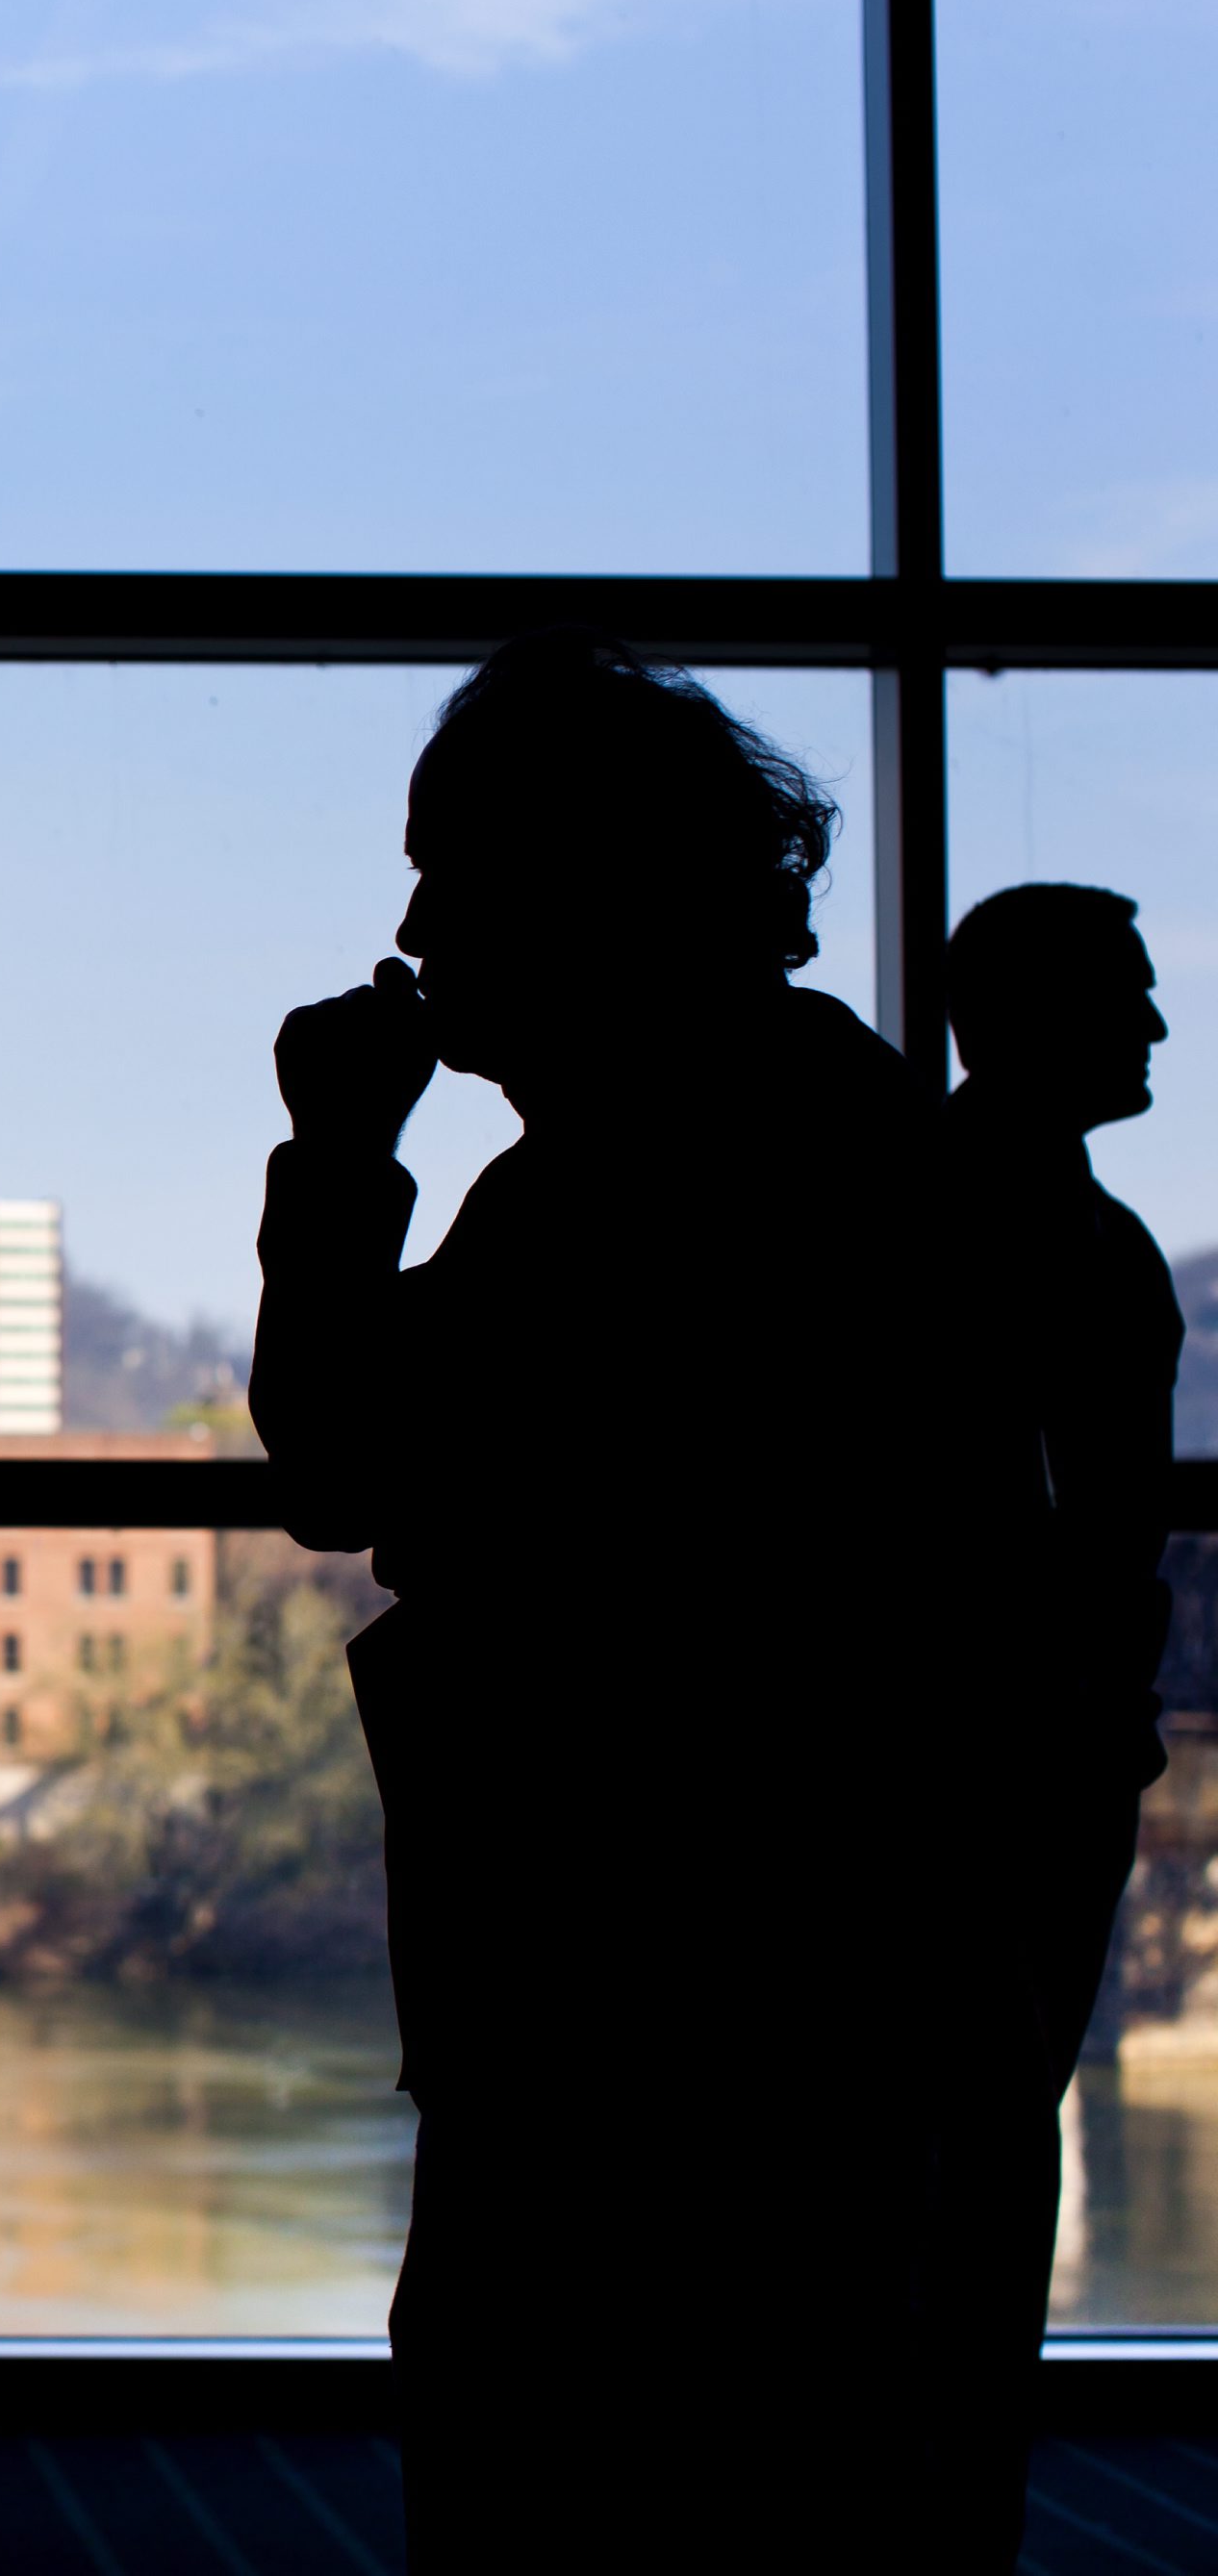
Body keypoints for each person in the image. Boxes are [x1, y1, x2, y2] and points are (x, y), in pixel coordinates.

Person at [249, 632, 1000, 2571]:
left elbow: (341, 1457)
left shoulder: (620, 1177)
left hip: (627, 1969)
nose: (411, 922)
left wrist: (335, 1159)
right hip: (764, 1958)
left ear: (572, 886)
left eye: (449, 870)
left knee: (579, 2446)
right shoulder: (800, 1123)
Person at [935, 882, 1180, 2552]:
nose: (1161, 1030)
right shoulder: (1034, 1233)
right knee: (972, 2160)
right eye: (1133, 998)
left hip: (1039, 1741)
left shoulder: (974, 1210)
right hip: (1005, 1752)